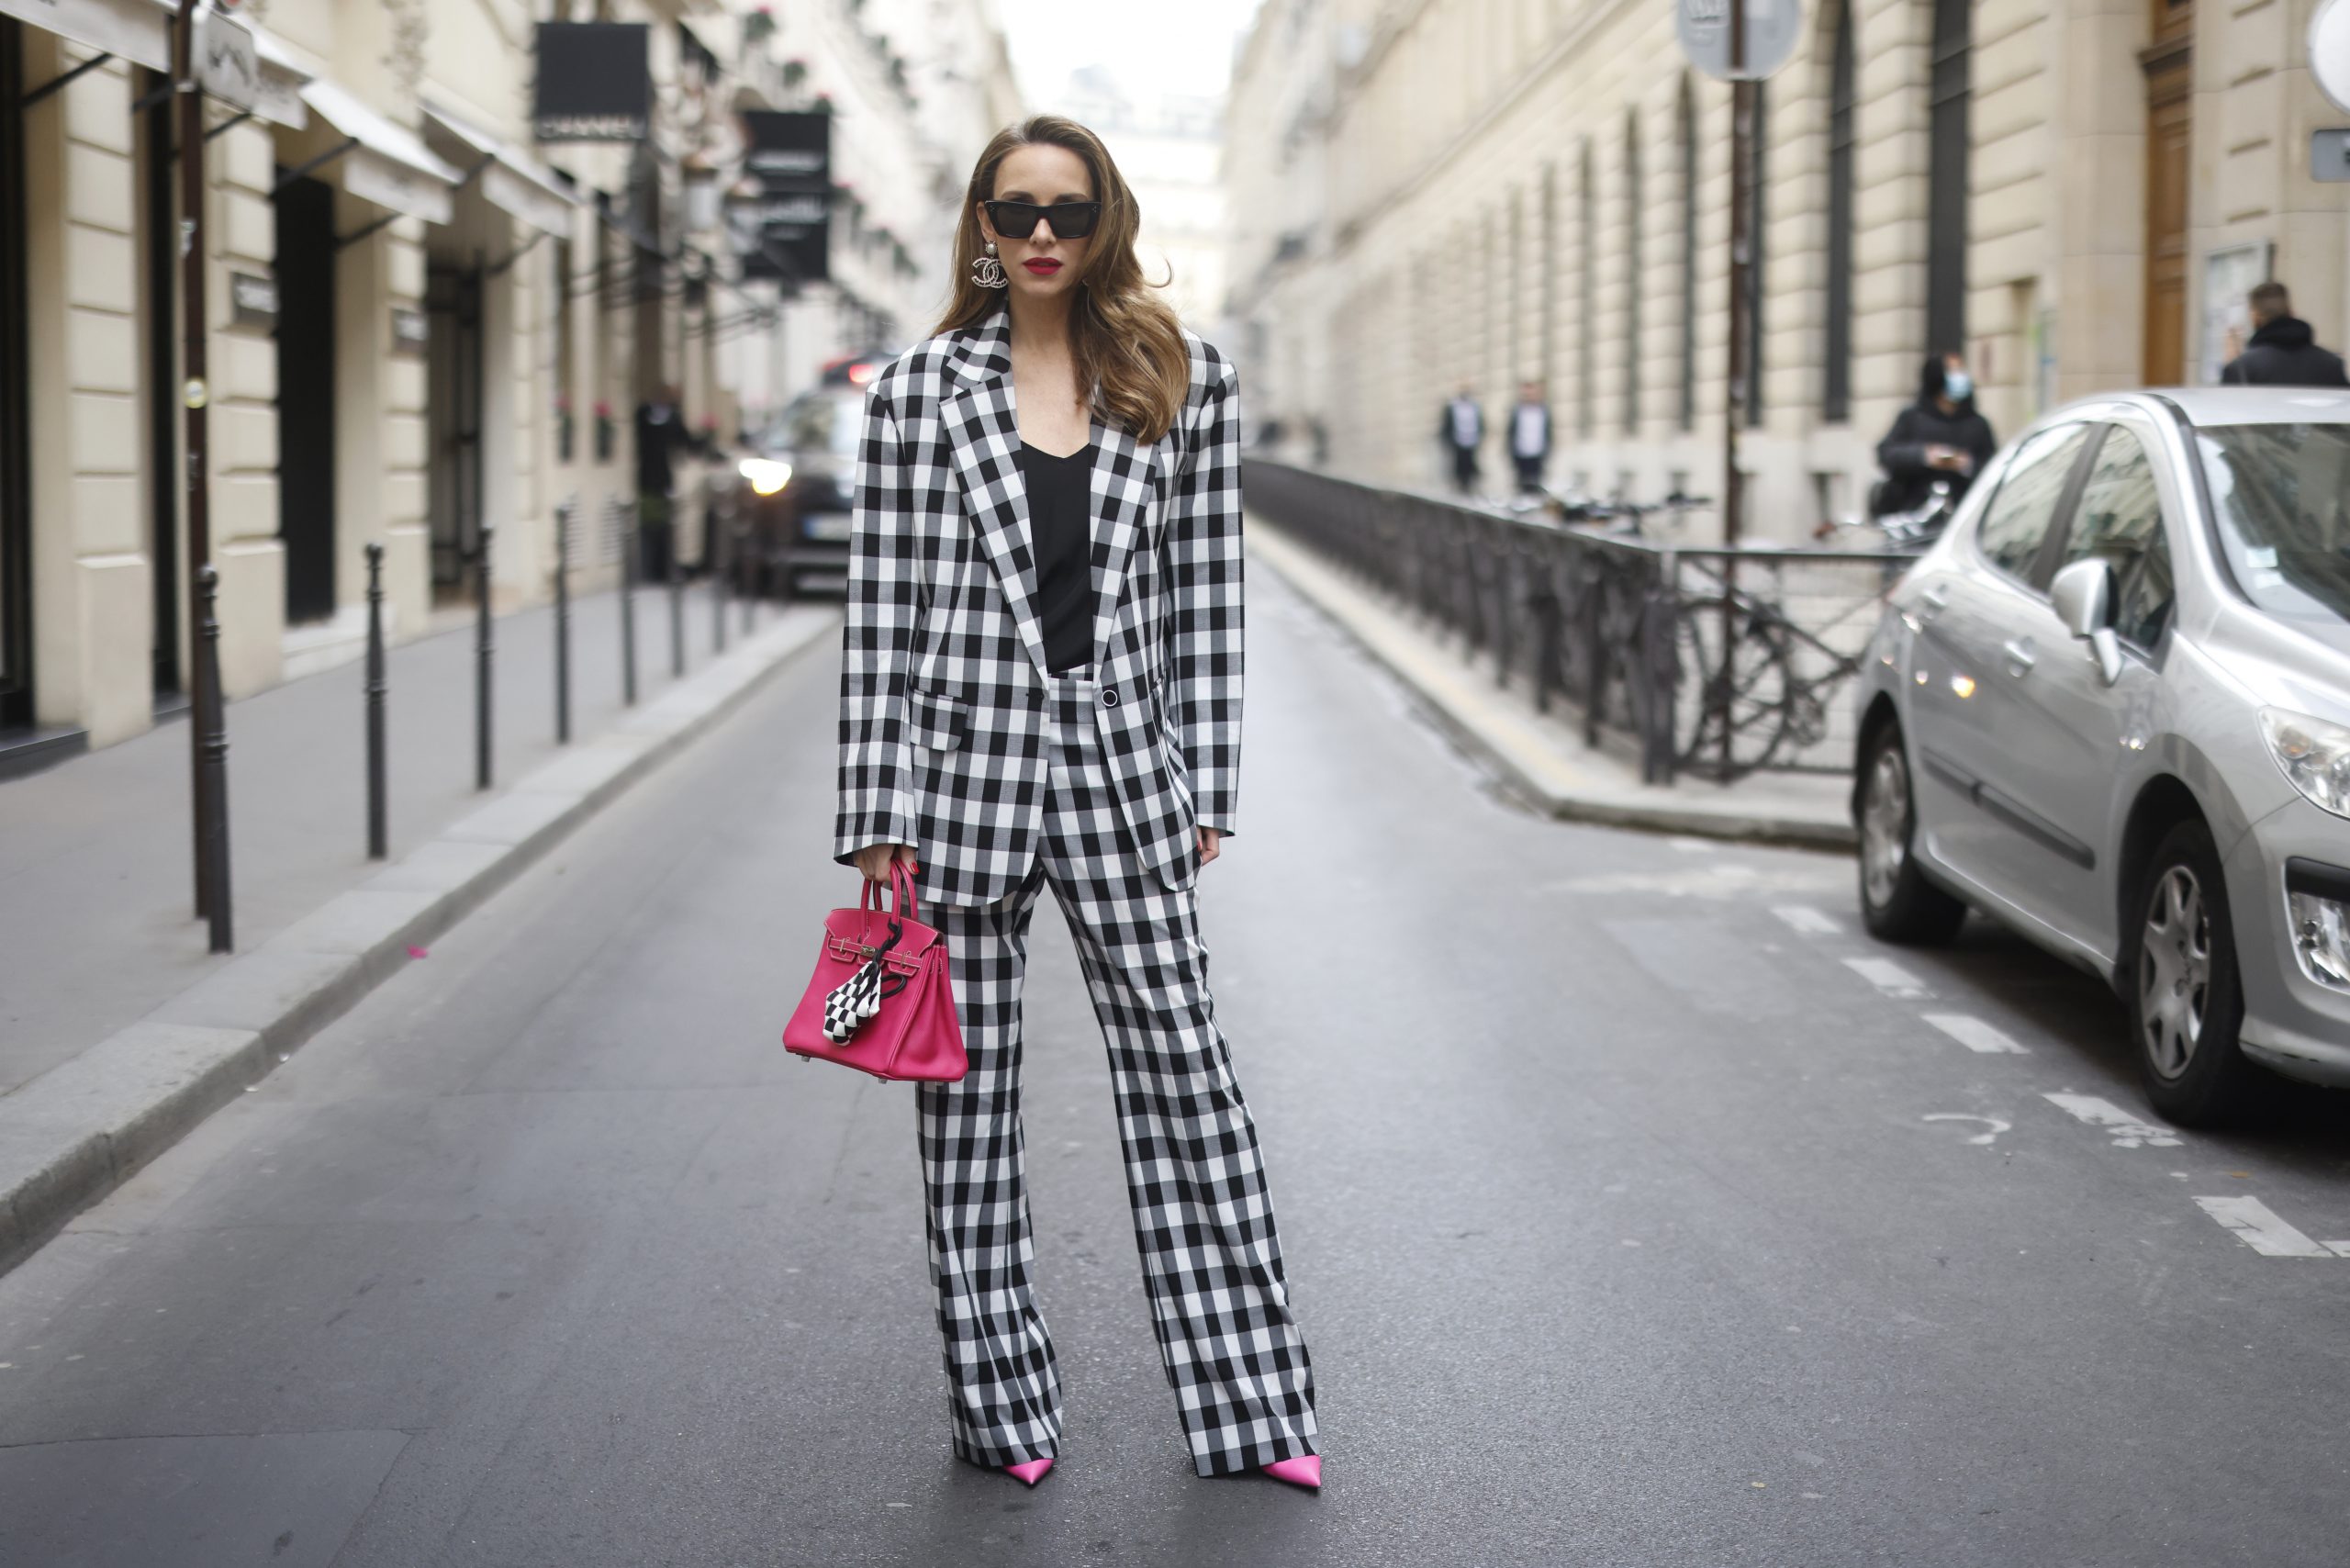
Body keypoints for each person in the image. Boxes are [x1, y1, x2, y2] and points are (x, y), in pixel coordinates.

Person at [834, 116, 1321, 1495]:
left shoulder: (1180, 380)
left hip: (1122, 779)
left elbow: (1206, 599)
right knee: (967, 1120)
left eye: (1066, 207)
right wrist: (879, 805)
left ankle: (1252, 1410)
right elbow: (882, 614)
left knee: (1189, 1083)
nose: (1039, 233)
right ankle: (1003, 1412)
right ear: (980, 231)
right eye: (1013, 210)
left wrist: (1206, 782)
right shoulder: (920, 391)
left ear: (1104, 220)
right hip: (959, 788)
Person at [1873, 352, 1998, 517]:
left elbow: (1993, 467)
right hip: (1915, 511)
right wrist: (1925, 456)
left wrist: (1965, 464)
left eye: (1961, 371)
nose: (1959, 377)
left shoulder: (1978, 424)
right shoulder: (1912, 417)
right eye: (1953, 371)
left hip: (1963, 513)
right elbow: (1887, 453)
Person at [633, 383, 707, 579]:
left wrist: (705, 439)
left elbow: (687, 442)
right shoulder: (643, 414)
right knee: (649, 524)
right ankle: (649, 568)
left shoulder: (673, 417)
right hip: (646, 477)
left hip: (664, 478)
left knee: (665, 526)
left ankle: (662, 569)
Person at [2221, 282, 2350, 387]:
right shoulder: (2331, 364)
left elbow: (2227, 413)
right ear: (2291, 311)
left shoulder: (2242, 368)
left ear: (2255, 317)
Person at [1507, 379, 1552, 494]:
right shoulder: (1517, 411)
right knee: (1521, 485)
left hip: (1537, 454)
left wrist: (1547, 451)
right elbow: (1511, 432)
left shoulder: (1543, 410)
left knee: (1536, 486)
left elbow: (1548, 433)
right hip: (1521, 454)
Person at [1438, 384, 1483, 495]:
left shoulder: (1475, 407)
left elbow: (1480, 425)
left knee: (1471, 469)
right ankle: (1461, 488)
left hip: (1471, 443)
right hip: (1457, 444)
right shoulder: (1452, 407)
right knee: (1459, 470)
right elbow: (1446, 427)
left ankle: (1470, 488)